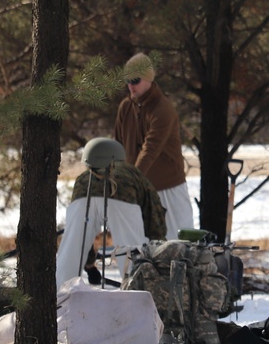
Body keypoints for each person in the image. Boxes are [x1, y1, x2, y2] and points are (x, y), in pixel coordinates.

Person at [56, 140, 167, 290]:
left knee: (70, 250)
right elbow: (153, 212)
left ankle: (57, 299)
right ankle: (141, 295)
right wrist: (158, 244)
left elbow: (80, 238)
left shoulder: (83, 179)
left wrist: (89, 265)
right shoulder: (131, 172)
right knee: (132, 253)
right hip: (123, 200)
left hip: (84, 198)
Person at [114, 53, 194, 238]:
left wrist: (131, 183)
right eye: (127, 80)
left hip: (168, 190)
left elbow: (150, 150)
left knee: (177, 246)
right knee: (136, 250)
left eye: (135, 80)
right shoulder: (125, 107)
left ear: (148, 79)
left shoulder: (163, 110)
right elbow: (117, 147)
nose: (130, 85)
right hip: (138, 191)